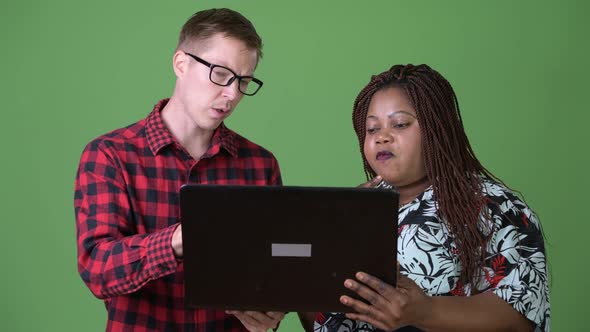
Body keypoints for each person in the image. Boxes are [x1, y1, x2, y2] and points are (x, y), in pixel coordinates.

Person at [74, 8, 285, 331]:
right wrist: (176, 241)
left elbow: (277, 266)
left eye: (243, 81)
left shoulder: (260, 165)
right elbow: (98, 270)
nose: (232, 94)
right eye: (220, 74)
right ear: (181, 64)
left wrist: (270, 310)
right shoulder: (110, 155)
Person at [300, 64, 550, 331]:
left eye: (400, 124)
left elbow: (521, 313)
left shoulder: (492, 205)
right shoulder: (357, 208)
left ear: (437, 129)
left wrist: (424, 311)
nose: (382, 137)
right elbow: (323, 319)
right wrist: (302, 272)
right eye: (372, 129)